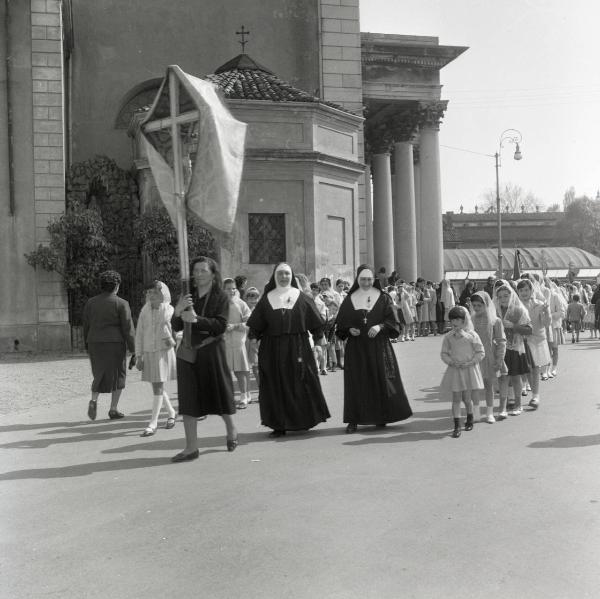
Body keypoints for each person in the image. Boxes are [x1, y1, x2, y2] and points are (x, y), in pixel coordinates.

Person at [247, 263, 330, 437]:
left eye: (286, 273)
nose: (284, 277)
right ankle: (279, 424)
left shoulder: (301, 297)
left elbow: (316, 323)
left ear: (291, 275)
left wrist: (318, 343)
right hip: (272, 348)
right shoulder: (267, 298)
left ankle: (304, 419)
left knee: (301, 382)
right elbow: (256, 324)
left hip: (298, 346)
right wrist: (254, 338)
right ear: (275, 276)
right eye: (280, 274)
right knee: (275, 385)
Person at [171, 256, 238, 462]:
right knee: (188, 400)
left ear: (212, 274)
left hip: (211, 352)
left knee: (218, 396)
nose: (198, 274)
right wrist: (178, 310)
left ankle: (231, 429)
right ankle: (191, 448)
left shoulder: (220, 298)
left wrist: (196, 319)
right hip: (188, 353)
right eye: (196, 271)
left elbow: (220, 325)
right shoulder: (187, 296)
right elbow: (177, 326)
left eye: (203, 270)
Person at [335, 265, 412, 433]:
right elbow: (340, 324)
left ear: (374, 279)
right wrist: (349, 330)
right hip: (357, 348)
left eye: (369, 279)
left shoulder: (383, 298)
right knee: (356, 382)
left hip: (379, 346)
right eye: (363, 279)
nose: (366, 282)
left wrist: (380, 327)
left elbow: (393, 321)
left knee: (380, 380)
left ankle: (381, 416)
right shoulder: (349, 299)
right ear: (357, 279)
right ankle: (353, 419)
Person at [82, 270, 135, 421]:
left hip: (95, 343)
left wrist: (87, 344)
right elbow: (128, 328)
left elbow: (86, 325)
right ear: (117, 285)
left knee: (99, 373)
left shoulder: (91, 303)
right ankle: (113, 409)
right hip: (115, 344)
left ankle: (93, 400)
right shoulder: (121, 303)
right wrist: (134, 349)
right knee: (118, 375)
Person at [134, 280, 178, 436]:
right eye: (149, 292)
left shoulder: (168, 309)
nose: (150, 295)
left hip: (163, 352)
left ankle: (153, 423)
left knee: (158, 387)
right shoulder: (144, 311)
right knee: (156, 386)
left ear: (162, 294)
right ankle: (172, 412)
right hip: (149, 352)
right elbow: (139, 333)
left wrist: (161, 303)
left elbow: (166, 319)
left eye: (154, 292)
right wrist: (138, 355)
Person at [440, 306, 485, 438]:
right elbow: (443, 353)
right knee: (456, 398)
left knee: (467, 397)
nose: (454, 322)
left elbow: (480, 352)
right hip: (455, 370)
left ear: (464, 320)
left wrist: (471, 362)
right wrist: (451, 361)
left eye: (457, 319)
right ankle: (457, 425)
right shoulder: (448, 336)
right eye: (452, 320)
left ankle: (470, 418)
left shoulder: (472, 335)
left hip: (468, 369)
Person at [494, 281, 532, 417]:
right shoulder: (494, 312)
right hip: (500, 349)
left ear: (511, 296)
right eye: (500, 297)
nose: (503, 299)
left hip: (515, 348)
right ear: (496, 298)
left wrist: (513, 326)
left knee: (516, 377)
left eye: (506, 296)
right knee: (503, 379)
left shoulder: (519, 310)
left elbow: (529, 330)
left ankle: (518, 404)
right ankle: (502, 408)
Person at [470, 291, 507, 423]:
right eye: (474, 305)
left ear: (486, 305)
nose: (476, 308)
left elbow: (501, 341)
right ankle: (478, 412)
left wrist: (499, 359)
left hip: (491, 355)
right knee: (479, 386)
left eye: (479, 305)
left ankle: (492, 411)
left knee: (494, 383)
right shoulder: (471, 320)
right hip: (476, 357)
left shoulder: (495, 321)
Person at [517, 278, 551, 409]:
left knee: (535, 368)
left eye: (526, 289)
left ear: (531, 290)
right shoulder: (515, 305)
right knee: (526, 370)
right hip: (520, 341)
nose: (524, 292)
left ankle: (535, 396)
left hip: (536, 340)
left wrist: (546, 312)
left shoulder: (540, 304)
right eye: (521, 290)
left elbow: (546, 323)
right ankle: (531, 392)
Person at [223, 278, 252, 409]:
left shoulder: (241, 304)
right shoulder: (219, 304)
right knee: (226, 372)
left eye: (233, 288)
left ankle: (244, 396)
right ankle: (228, 397)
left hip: (239, 341)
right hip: (224, 342)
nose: (232, 291)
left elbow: (249, 323)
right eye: (228, 288)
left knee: (240, 370)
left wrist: (234, 326)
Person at [243, 286, 261, 392]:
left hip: (255, 342)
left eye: (255, 296)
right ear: (246, 298)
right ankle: (246, 393)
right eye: (250, 296)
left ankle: (261, 390)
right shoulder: (243, 308)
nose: (253, 299)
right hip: (244, 340)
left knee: (256, 368)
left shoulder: (260, 310)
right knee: (244, 369)